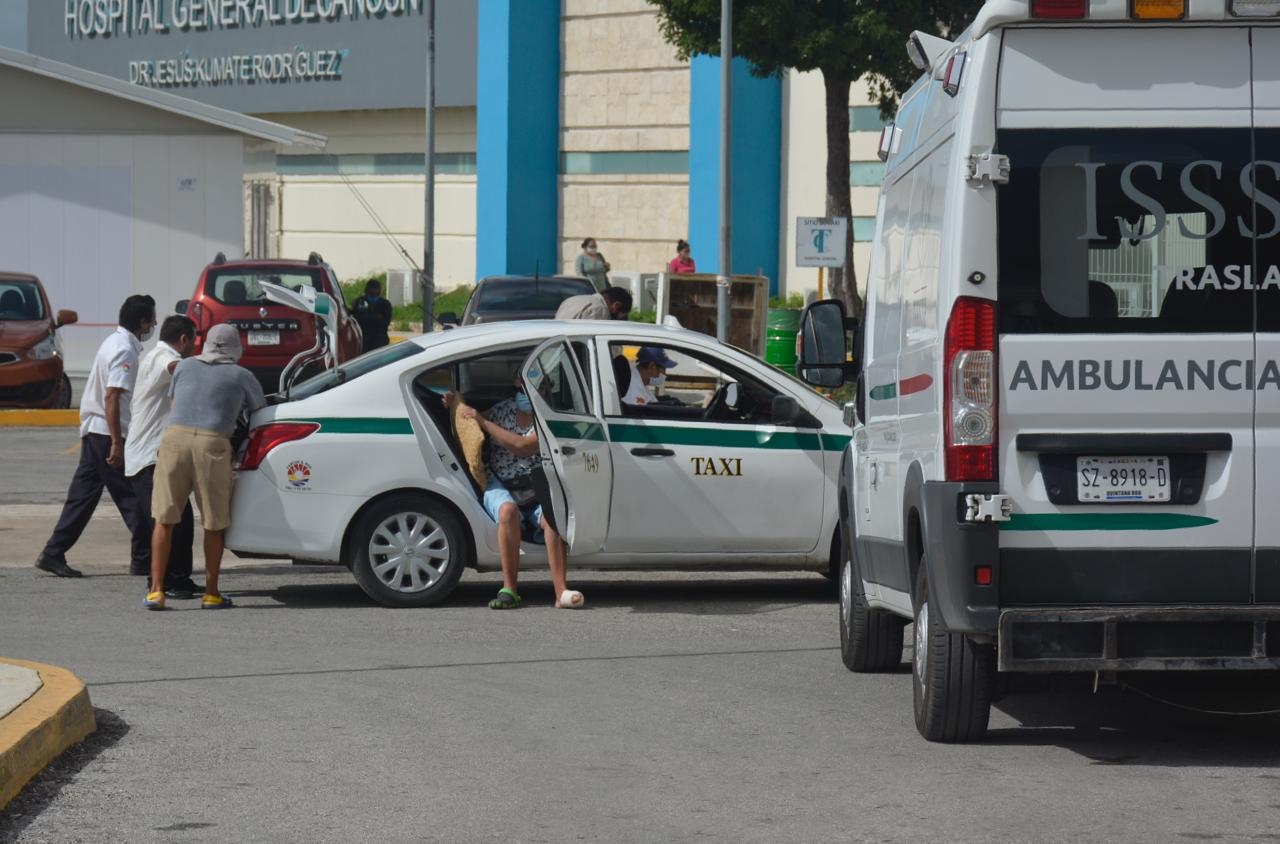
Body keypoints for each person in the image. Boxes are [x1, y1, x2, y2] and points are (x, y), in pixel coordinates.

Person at [144, 324, 266, 611]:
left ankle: (156, 592)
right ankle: (211, 593)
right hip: (213, 444)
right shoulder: (241, 375)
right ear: (236, 347)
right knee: (214, 522)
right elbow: (259, 411)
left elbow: (176, 404)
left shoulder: (185, 366)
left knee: (164, 519)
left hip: (174, 440)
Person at [34, 295, 157, 578]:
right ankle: (143, 558)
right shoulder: (125, 350)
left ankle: (53, 552)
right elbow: (112, 396)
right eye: (152, 318)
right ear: (141, 322)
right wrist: (117, 442)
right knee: (134, 498)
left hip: (94, 433)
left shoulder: (113, 342)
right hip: (107, 434)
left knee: (82, 498)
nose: (154, 323)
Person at [449, 383, 583, 610]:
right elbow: (468, 421)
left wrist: (485, 424)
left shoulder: (546, 418)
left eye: (534, 389)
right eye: (522, 389)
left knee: (553, 517)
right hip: (501, 481)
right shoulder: (502, 409)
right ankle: (509, 590)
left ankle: (560, 591)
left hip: (537, 483)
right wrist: (453, 404)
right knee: (507, 511)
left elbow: (523, 446)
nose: (526, 394)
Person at [126, 314, 200, 599]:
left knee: (177, 517)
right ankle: (167, 581)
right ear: (183, 339)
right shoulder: (163, 357)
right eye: (192, 340)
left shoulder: (153, 354)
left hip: (149, 454)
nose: (194, 346)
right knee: (171, 519)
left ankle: (174, 579)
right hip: (149, 457)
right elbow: (175, 367)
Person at [352, 278, 393, 351]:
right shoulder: (361, 302)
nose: (373, 296)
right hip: (364, 339)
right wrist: (376, 317)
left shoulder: (385, 304)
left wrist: (368, 317)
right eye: (371, 294)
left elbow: (385, 322)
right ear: (366, 291)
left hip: (380, 340)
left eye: (376, 294)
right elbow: (357, 318)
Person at [554, 285, 633, 321]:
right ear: (616, 306)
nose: (618, 319)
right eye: (620, 316)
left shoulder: (572, 300)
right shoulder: (600, 310)